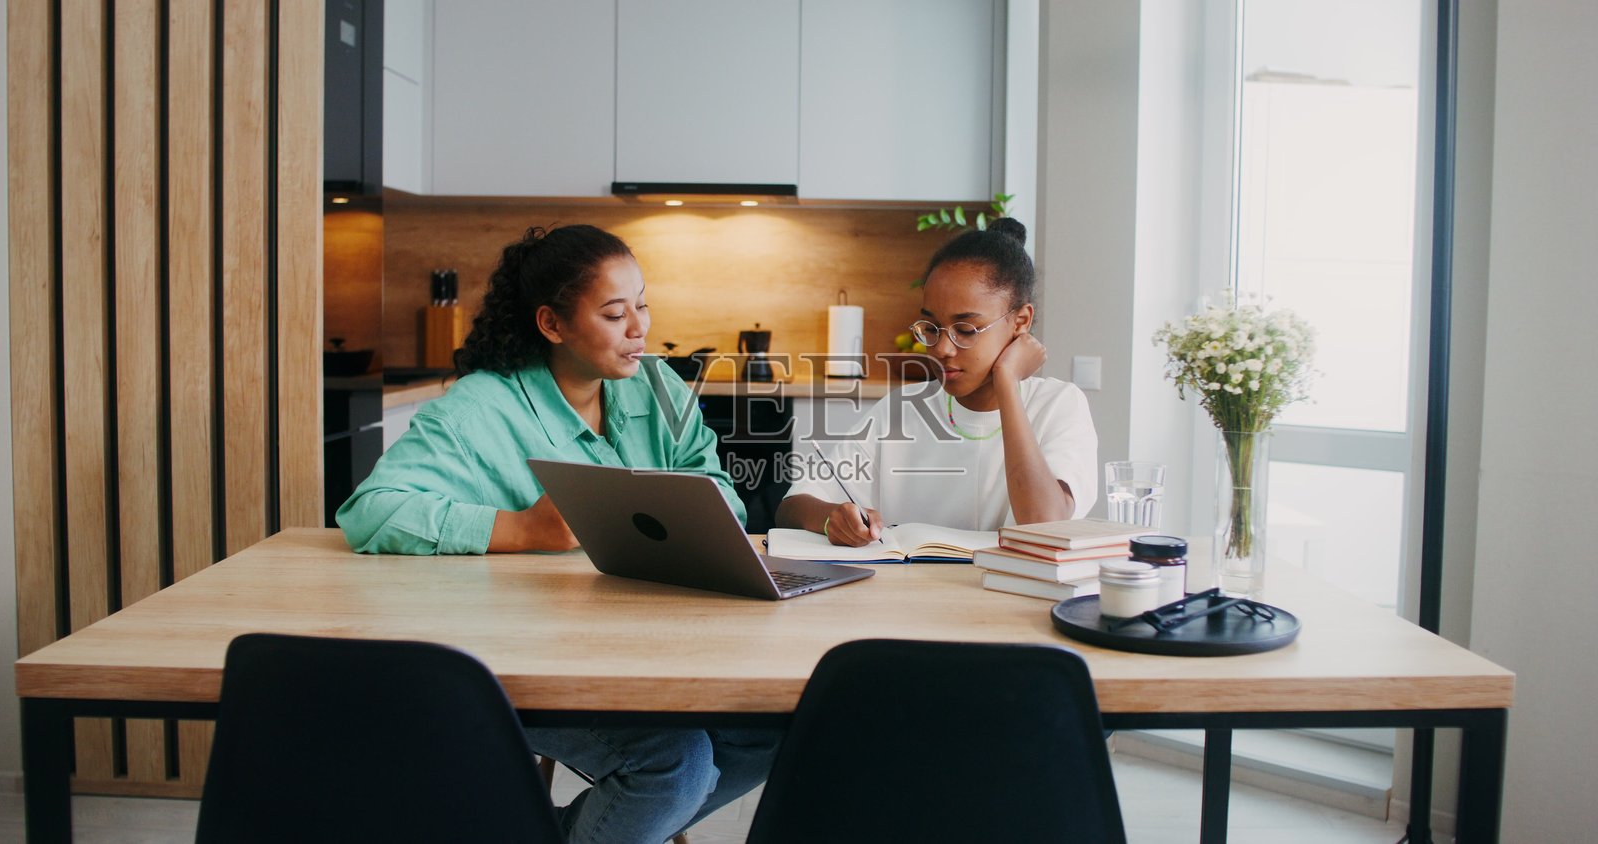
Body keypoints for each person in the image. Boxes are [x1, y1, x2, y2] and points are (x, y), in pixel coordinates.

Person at [337, 224, 781, 844]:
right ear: (551, 323)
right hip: (519, 660)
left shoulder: (659, 385)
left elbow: (718, 489)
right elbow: (370, 512)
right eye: (614, 314)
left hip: (646, 648)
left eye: (643, 305)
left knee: (772, 729)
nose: (639, 328)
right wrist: (520, 528)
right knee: (675, 767)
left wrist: (695, 517)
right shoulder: (477, 409)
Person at [776, 217, 1098, 544]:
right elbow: (791, 506)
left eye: (966, 330)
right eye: (931, 328)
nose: (942, 349)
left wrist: (1006, 380)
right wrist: (831, 519)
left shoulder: (1059, 405)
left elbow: (1043, 524)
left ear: (1021, 321)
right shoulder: (902, 410)